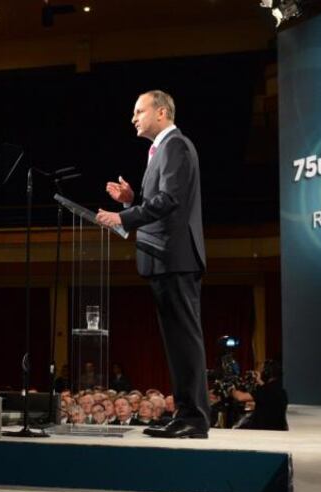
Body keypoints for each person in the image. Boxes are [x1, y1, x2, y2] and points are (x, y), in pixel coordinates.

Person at [97, 89, 209, 439]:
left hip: (174, 257)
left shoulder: (175, 145)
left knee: (185, 341)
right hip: (162, 258)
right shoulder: (158, 151)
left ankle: (194, 418)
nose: (133, 118)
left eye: (139, 110)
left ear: (161, 113)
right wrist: (134, 199)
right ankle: (185, 413)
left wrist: (123, 216)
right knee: (175, 343)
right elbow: (161, 199)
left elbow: (171, 200)